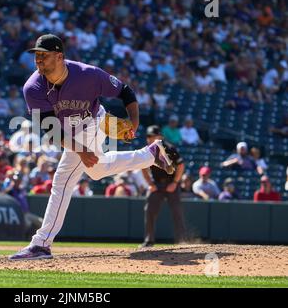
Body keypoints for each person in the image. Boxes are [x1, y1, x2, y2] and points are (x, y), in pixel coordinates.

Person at [10, 35, 176, 260]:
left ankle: (41, 243)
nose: (38, 60)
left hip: (92, 120)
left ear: (60, 56)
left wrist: (134, 122)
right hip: (66, 129)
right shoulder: (33, 87)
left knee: (62, 180)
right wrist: (80, 150)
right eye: (36, 56)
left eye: (44, 55)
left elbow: (125, 91)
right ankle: (150, 154)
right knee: (97, 170)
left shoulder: (88, 75)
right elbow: (52, 131)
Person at [141, 125, 186, 248]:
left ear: (160, 137)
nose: (150, 138)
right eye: (148, 136)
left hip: (171, 183)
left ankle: (181, 241)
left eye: (152, 136)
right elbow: (143, 167)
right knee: (149, 210)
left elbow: (181, 166)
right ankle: (149, 241)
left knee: (177, 212)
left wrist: (175, 182)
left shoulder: (170, 148)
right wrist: (150, 184)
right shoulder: (147, 150)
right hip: (157, 184)